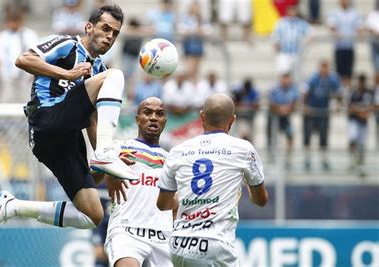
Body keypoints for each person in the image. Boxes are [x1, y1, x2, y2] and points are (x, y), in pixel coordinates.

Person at [0, 4, 139, 238]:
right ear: (89, 27)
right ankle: (106, 152)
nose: (109, 37)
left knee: (93, 215)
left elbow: (93, 121)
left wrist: (108, 166)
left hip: (63, 140)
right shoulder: (67, 45)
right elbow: (23, 59)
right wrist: (67, 74)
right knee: (116, 75)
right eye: (105, 28)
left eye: (115, 33)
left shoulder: (99, 70)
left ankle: (12, 206)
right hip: (48, 118)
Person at [156, 93, 268, 266]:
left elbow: (162, 204)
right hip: (216, 244)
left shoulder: (178, 150)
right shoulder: (243, 149)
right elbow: (260, 200)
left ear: (202, 115)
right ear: (232, 120)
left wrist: (184, 198)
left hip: (180, 243)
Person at [104, 97, 173, 267]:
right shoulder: (119, 148)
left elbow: (175, 203)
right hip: (127, 232)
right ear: (137, 119)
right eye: (147, 112)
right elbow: (93, 175)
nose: (153, 118)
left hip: (164, 237)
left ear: (165, 121)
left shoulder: (172, 160)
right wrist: (109, 170)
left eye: (160, 114)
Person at [302, 60, 342, 171]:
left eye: (326, 68)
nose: (324, 70)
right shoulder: (313, 78)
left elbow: (339, 92)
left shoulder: (332, 79)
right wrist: (304, 105)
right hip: (312, 112)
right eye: (322, 67)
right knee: (307, 137)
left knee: (323, 138)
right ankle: (307, 160)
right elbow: (305, 92)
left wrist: (338, 105)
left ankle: (324, 160)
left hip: (323, 112)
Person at [327, 0, 362, 90]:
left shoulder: (354, 13)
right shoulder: (335, 12)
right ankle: (340, 90)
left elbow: (359, 27)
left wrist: (356, 32)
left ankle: (348, 91)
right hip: (339, 46)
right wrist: (338, 33)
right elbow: (332, 26)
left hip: (349, 46)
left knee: (349, 71)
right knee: (339, 71)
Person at [267, 72, 299, 168]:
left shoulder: (292, 89)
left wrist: (287, 109)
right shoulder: (275, 89)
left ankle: (288, 160)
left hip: (285, 117)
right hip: (273, 117)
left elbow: (295, 103)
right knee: (272, 137)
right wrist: (279, 109)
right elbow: (270, 103)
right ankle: (271, 158)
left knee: (290, 136)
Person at [272, 5, 312, 78]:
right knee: (283, 72)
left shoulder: (301, 23)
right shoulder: (281, 22)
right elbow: (275, 37)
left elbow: (311, 32)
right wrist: (276, 52)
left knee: (296, 75)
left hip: (296, 53)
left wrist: (306, 41)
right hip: (284, 52)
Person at [348, 74, 374, 177]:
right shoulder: (354, 93)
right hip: (354, 120)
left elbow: (372, 105)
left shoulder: (369, 92)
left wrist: (366, 112)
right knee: (353, 138)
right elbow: (350, 105)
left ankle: (361, 163)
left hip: (364, 122)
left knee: (362, 144)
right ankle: (352, 159)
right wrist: (359, 112)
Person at [231, 78, 260, 142]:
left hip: (250, 117)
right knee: (243, 134)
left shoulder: (253, 92)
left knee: (250, 136)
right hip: (240, 117)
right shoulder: (238, 91)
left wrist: (246, 105)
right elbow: (234, 103)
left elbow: (256, 105)